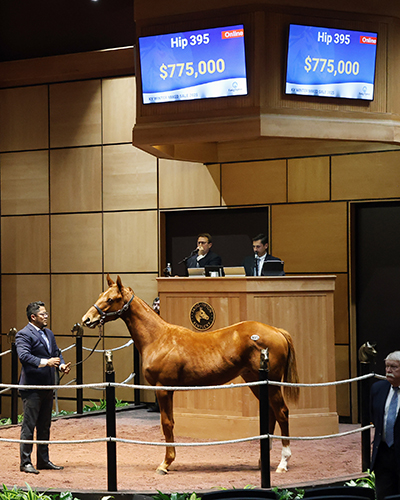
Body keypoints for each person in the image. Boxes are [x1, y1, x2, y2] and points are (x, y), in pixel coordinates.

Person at [15, 301, 71, 474]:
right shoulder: (23, 334)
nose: (46, 317)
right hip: (32, 388)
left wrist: (60, 365)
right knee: (29, 426)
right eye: (43, 314)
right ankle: (25, 462)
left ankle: (43, 460)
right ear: (33, 317)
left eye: (46, 314)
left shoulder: (49, 333)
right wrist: (46, 362)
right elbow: (24, 356)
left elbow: (56, 353)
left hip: (48, 386)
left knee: (45, 425)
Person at [370, 351, 400, 500]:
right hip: (383, 456)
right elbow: (374, 417)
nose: (388, 370)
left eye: (394, 367)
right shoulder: (378, 389)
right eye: (387, 366)